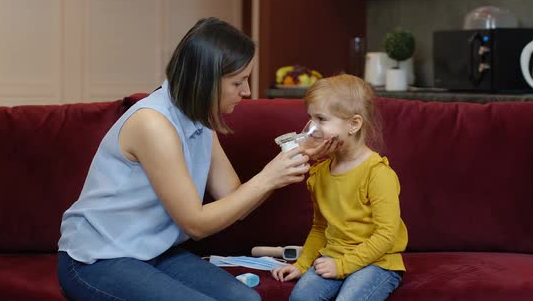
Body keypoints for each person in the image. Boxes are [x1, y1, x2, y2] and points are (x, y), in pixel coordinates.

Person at [57, 17, 337, 301]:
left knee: (247, 299)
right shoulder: (153, 124)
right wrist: (268, 177)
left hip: (151, 252)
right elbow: (195, 224)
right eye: (238, 81)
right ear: (206, 80)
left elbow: (236, 200)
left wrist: (288, 162)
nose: (247, 91)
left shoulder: (199, 120)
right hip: (97, 258)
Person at [272, 74, 408, 301]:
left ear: (354, 124)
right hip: (333, 257)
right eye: (311, 118)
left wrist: (342, 265)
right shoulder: (320, 173)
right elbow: (320, 227)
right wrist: (302, 264)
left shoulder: (378, 173)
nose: (311, 128)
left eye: (321, 119)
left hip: (378, 262)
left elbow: (386, 235)